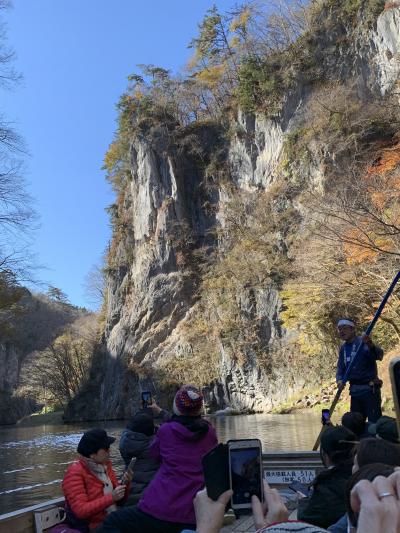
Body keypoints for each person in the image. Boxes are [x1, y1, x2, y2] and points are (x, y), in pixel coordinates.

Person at [99, 385, 218, 532]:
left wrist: (158, 415)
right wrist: (160, 412)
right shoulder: (210, 432)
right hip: (195, 512)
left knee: (112, 522)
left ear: (176, 407)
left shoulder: (166, 431)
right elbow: (186, 422)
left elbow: (155, 453)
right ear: (199, 409)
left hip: (161, 508)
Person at [61, 429, 131, 531]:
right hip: (92, 526)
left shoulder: (106, 466)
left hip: (112, 517)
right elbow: (81, 511)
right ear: (92, 454)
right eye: (106, 449)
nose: (109, 451)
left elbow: (119, 501)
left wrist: (126, 484)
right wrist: (111, 497)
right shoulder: (75, 473)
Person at [297, 426, 355, 529]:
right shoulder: (362, 475)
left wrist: (304, 500)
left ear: (325, 455)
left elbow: (305, 522)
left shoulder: (325, 487)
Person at [119, 402, 170, 501]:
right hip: (152, 491)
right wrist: (160, 411)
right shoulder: (157, 445)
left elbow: (132, 426)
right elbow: (177, 424)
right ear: (152, 432)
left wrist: (143, 411)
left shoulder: (124, 442)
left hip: (130, 490)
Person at [336, 318, 383, 423]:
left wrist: (371, 346)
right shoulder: (343, 349)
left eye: (344, 328)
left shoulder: (363, 343)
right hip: (354, 392)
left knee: (374, 423)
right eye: (339, 329)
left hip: (370, 391)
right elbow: (340, 369)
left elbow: (379, 355)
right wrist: (339, 380)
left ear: (353, 329)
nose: (341, 331)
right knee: (355, 424)